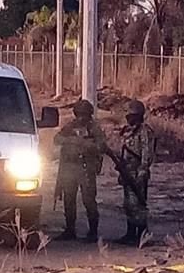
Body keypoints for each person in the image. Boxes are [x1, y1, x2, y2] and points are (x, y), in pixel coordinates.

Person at [53, 99, 107, 242]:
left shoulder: (94, 128)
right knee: (68, 199)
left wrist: (87, 144)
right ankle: (70, 229)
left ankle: (93, 232)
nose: (82, 117)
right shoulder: (71, 126)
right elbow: (57, 138)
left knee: (89, 200)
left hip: (86, 167)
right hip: (70, 167)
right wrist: (71, 140)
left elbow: (102, 145)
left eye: (85, 114)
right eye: (79, 114)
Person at [117, 100, 156, 245]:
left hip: (138, 173)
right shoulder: (128, 131)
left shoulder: (144, 132)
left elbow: (147, 153)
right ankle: (130, 233)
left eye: (130, 115)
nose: (128, 118)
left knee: (138, 205)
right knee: (128, 204)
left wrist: (142, 171)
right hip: (127, 172)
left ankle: (142, 235)